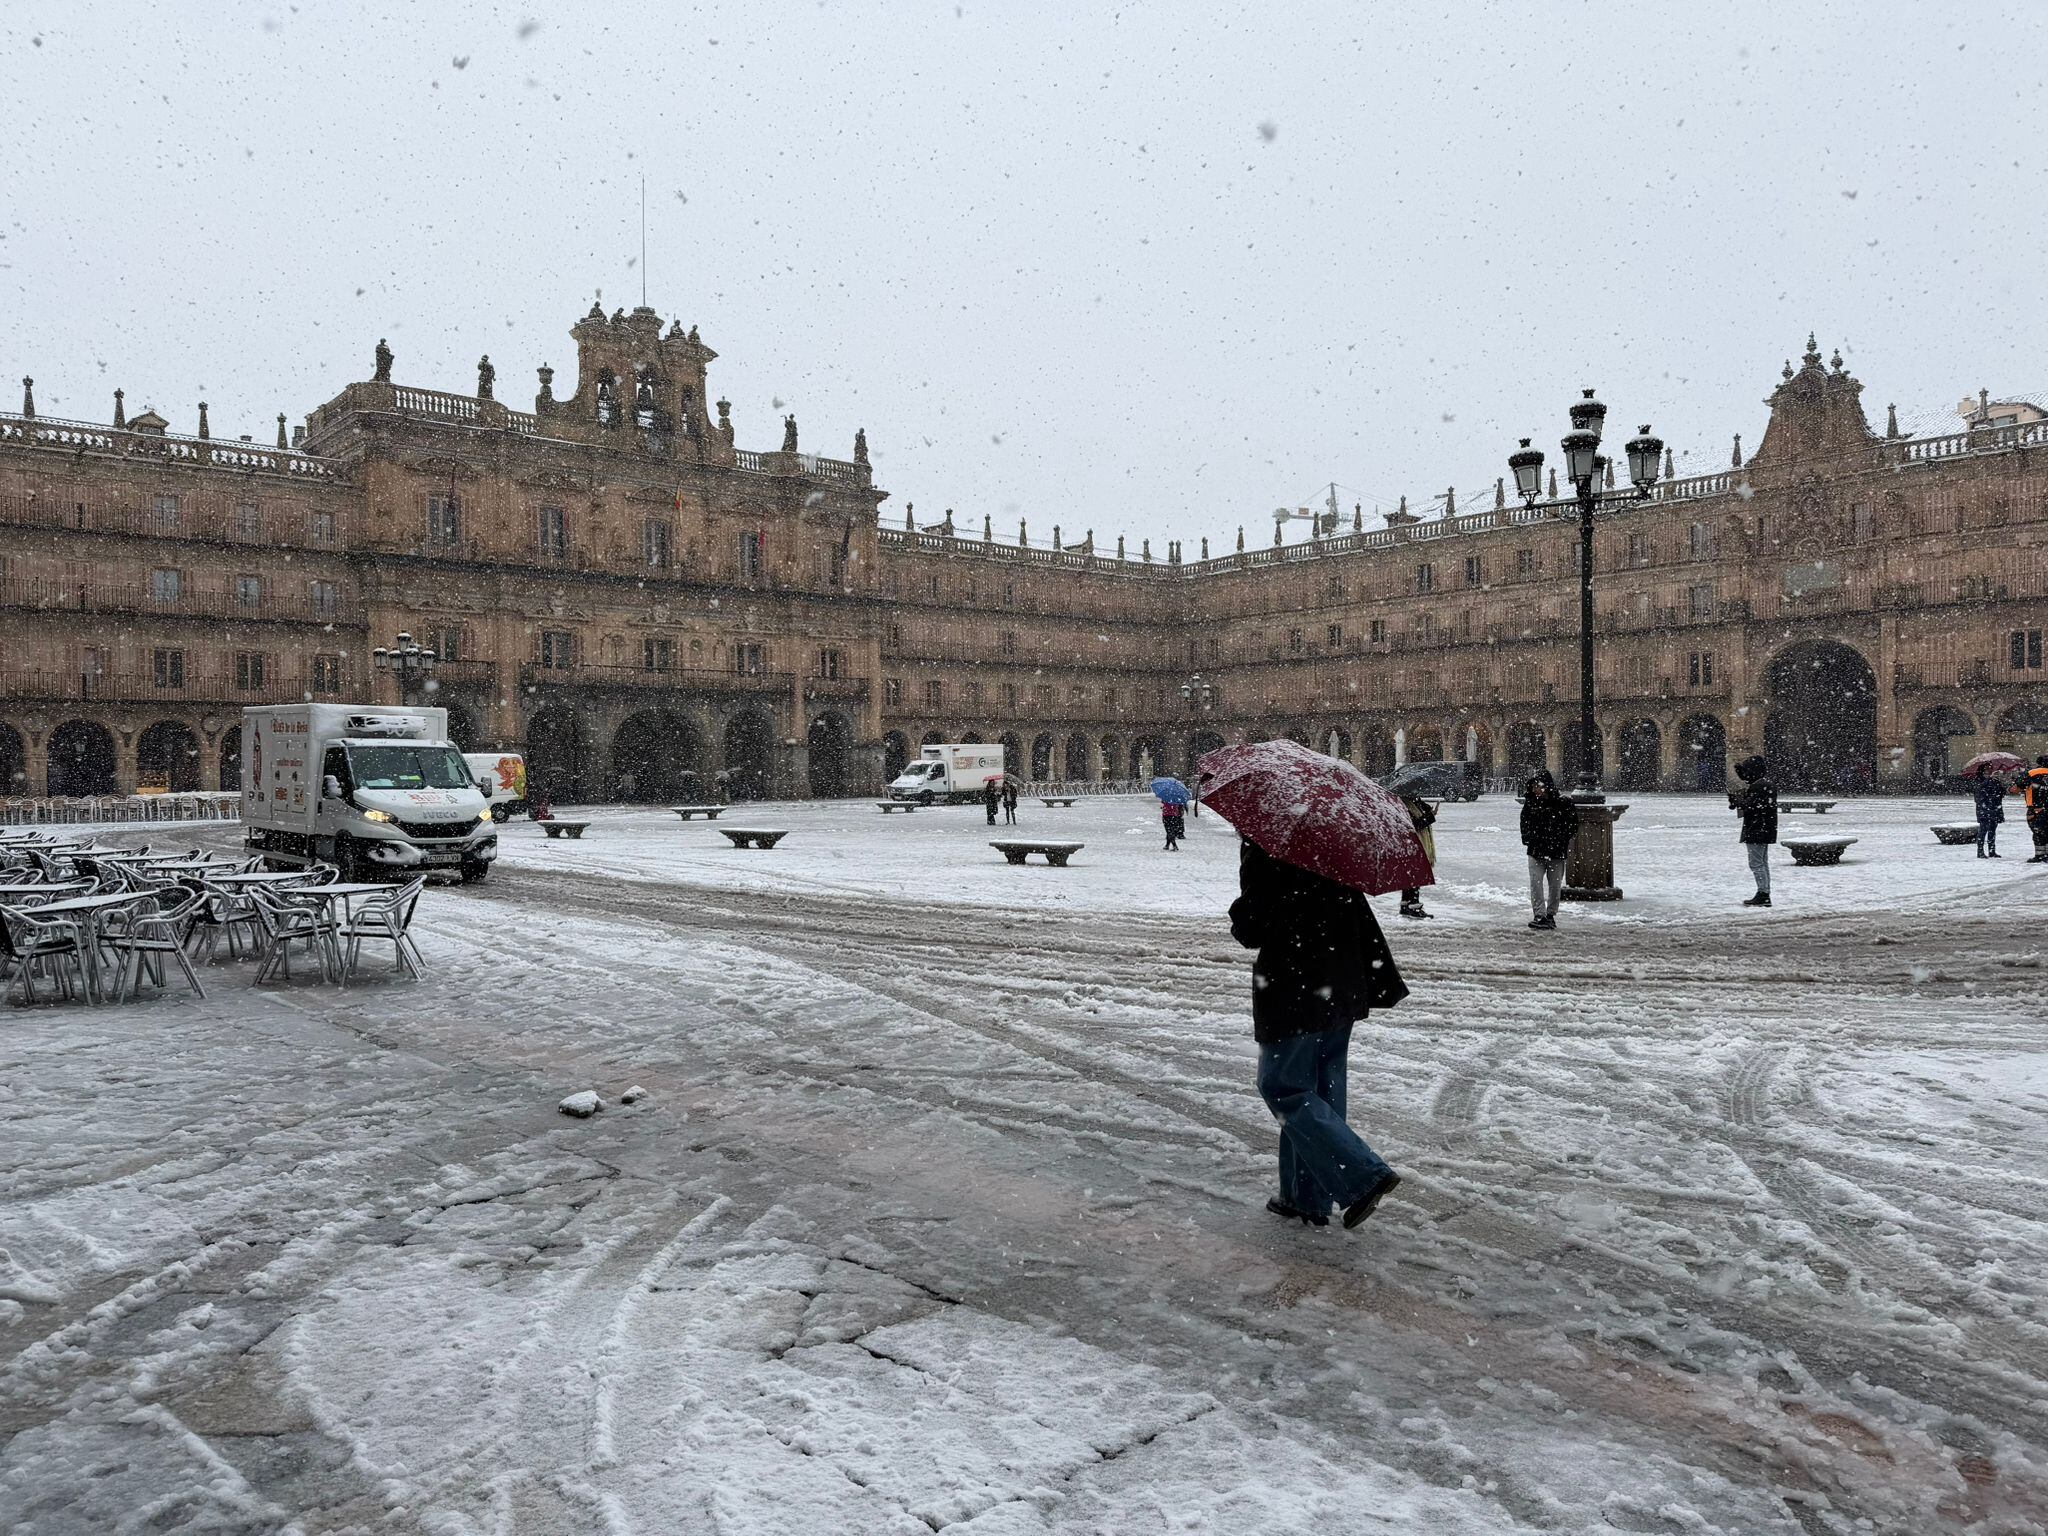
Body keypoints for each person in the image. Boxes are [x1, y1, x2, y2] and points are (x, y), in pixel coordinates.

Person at [1229, 837, 1405, 1230]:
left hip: (1296, 986)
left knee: (1284, 1087)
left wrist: (1240, 908)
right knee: (1320, 1089)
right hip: (1341, 982)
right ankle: (1304, 1196)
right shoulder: (1334, 843)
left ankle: (1362, 1175)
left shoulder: (1268, 844)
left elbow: (1252, 927)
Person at [1519, 770, 1574, 929]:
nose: (1536, 789)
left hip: (1556, 852)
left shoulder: (1563, 803)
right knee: (1536, 884)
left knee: (1555, 886)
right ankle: (1539, 915)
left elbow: (1571, 825)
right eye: (1534, 786)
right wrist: (1529, 839)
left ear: (1547, 787)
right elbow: (1524, 822)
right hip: (1536, 851)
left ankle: (1550, 915)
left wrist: (1560, 839)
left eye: (1539, 786)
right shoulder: (1531, 803)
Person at [1732, 754, 1778, 905]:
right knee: (1762, 862)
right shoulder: (1765, 784)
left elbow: (1751, 807)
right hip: (1764, 828)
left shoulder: (1759, 786)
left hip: (1757, 829)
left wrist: (1739, 801)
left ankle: (1763, 894)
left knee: (1756, 863)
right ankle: (1764, 892)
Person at [1397, 793, 1436, 919]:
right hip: (1412, 845)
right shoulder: (1404, 804)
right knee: (1415, 874)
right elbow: (1412, 826)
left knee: (1411, 875)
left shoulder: (1413, 802)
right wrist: (1429, 817)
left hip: (1414, 844)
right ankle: (1413, 906)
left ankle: (1406, 905)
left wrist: (1428, 811)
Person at [1973, 768, 2007, 859]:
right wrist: (1989, 780)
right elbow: (1978, 797)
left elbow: (2002, 794)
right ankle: (1980, 852)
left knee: (1992, 831)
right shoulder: (1981, 782)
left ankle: (1992, 851)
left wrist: (2000, 784)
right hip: (1985, 810)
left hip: (1994, 810)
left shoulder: (1996, 782)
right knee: (1983, 831)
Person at [2027, 757, 2048, 863]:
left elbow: (2017, 787)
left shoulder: (2032, 773)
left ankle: (2040, 855)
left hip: (2036, 809)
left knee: (2038, 832)